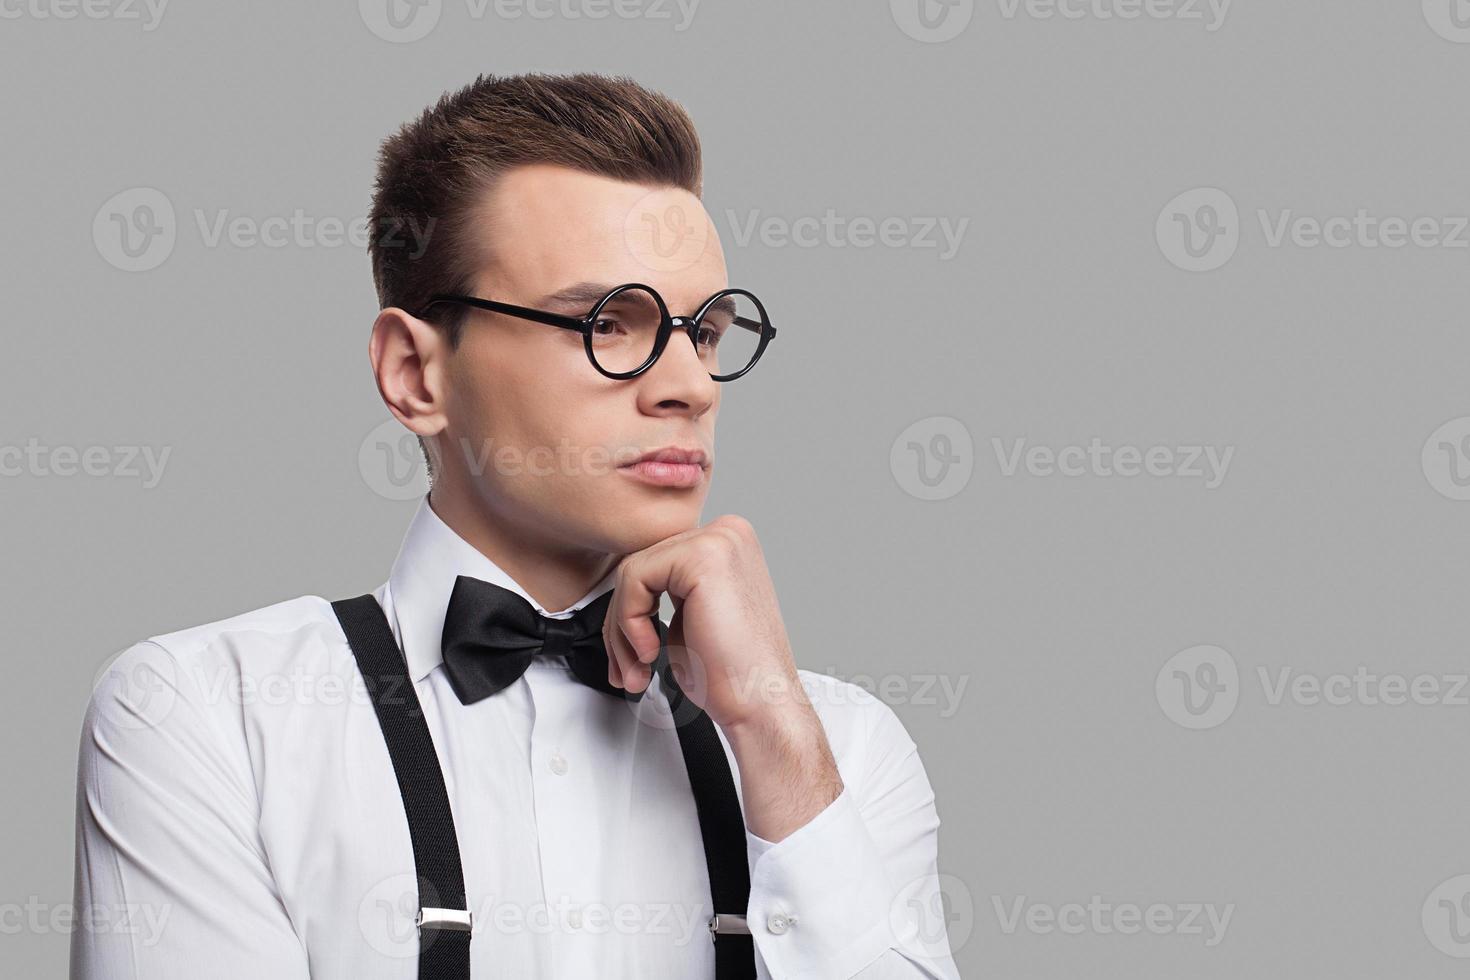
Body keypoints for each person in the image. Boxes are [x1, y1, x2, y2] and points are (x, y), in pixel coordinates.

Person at [70, 72, 960, 980]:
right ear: (416, 374)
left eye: (706, 332)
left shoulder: (840, 750)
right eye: (609, 324)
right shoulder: (207, 716)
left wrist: (775, 737)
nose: (689, 385)